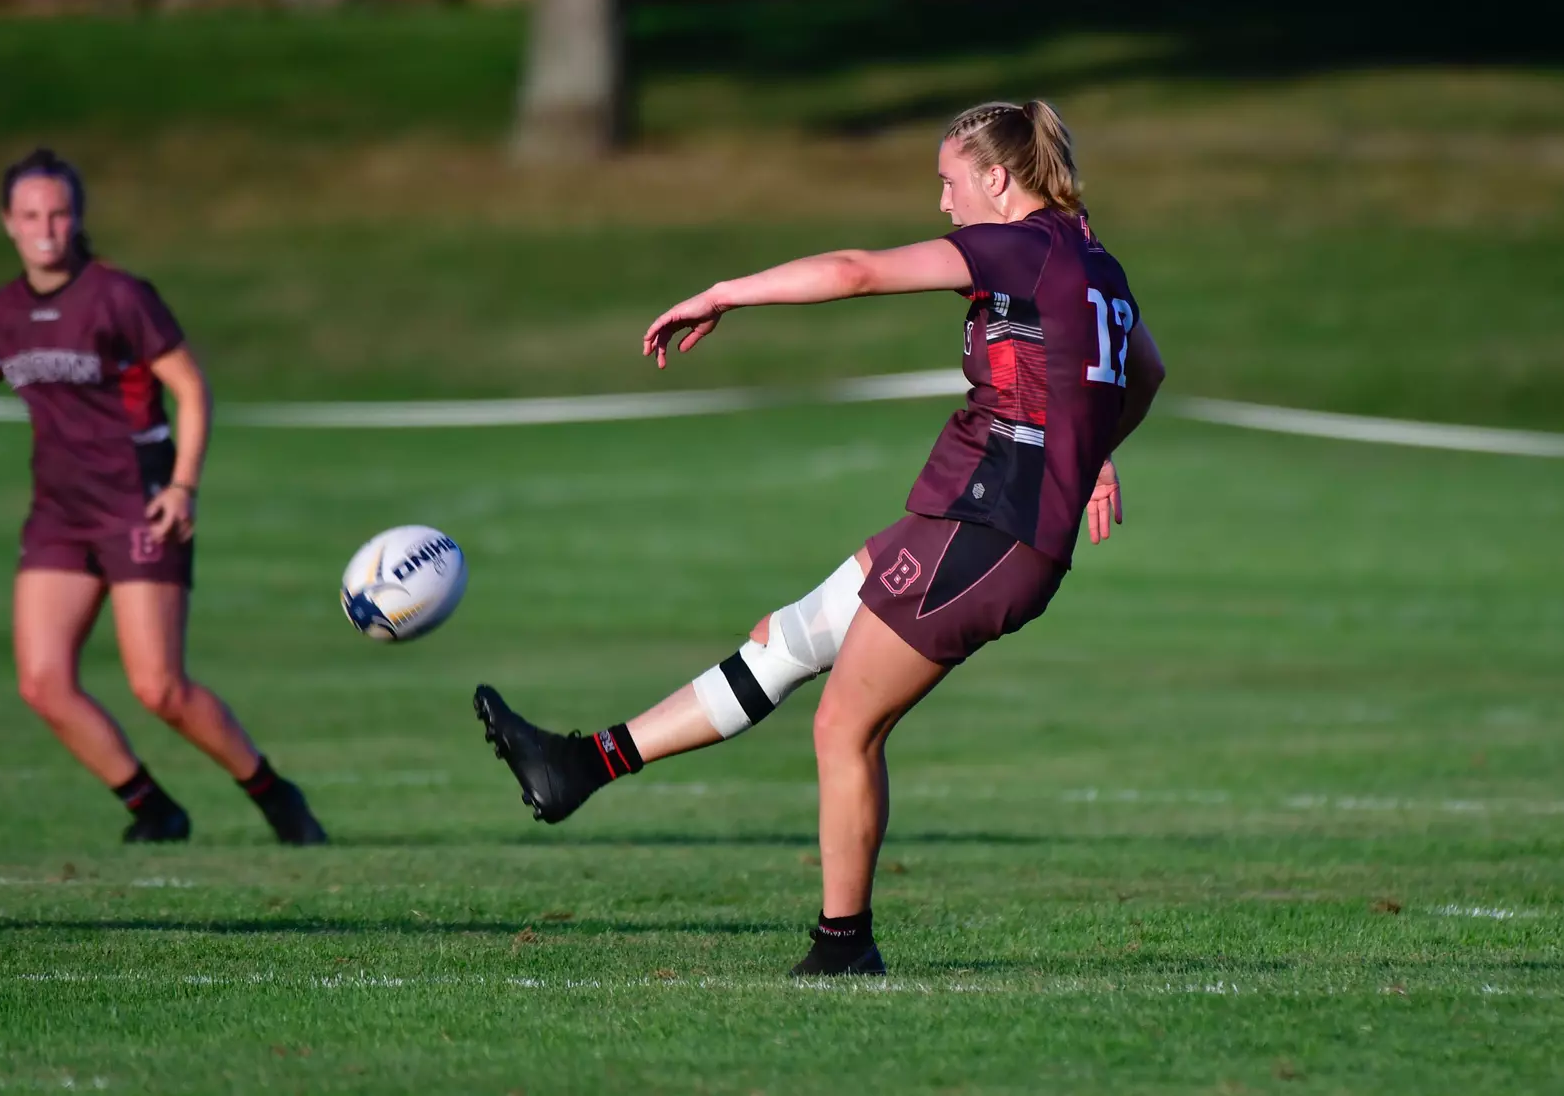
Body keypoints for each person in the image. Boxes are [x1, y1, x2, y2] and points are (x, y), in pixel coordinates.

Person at [473, 100, 1164, 974]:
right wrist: (1092, 450)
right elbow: (1146, 372)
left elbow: (856, 270)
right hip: (975, 514)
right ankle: (579, 765)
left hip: (995, 526)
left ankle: (845, 946)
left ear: (997, 179)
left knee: (844, 727)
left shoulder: (1020, 246)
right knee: (789, 636)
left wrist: (726, 291)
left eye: (951, 183)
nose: (945, 205)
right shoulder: (1095, 262)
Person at [0, 148, 327, 846]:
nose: (46, 226)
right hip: (58, 516)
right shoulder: (3, 312)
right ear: (7, 223)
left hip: (139, 505)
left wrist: (185, 485)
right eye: (30, 215)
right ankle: (153, 810)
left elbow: (190, 388)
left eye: (59, 212)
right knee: (43, 684)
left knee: (159, 688)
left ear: (77, 218)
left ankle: (275, 794)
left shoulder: (119, 297)